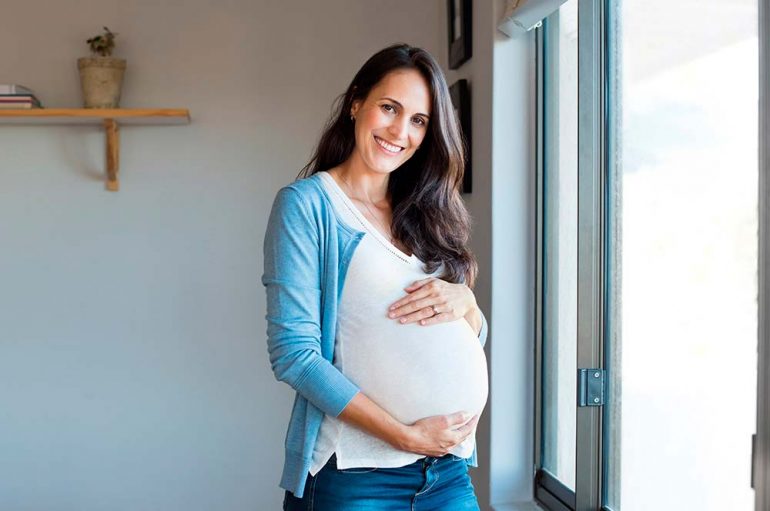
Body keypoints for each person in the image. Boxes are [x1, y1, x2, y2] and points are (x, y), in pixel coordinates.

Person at [262, 43, 489, 510]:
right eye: (389, 108)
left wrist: (467, 305)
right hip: (356, 476)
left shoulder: (427, 213)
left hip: (445, 472)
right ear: (356, 103)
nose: (399, 131)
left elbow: (468, 337)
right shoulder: (309, 206)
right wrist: (405, 435)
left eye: (418, 121)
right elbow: (296, 356)